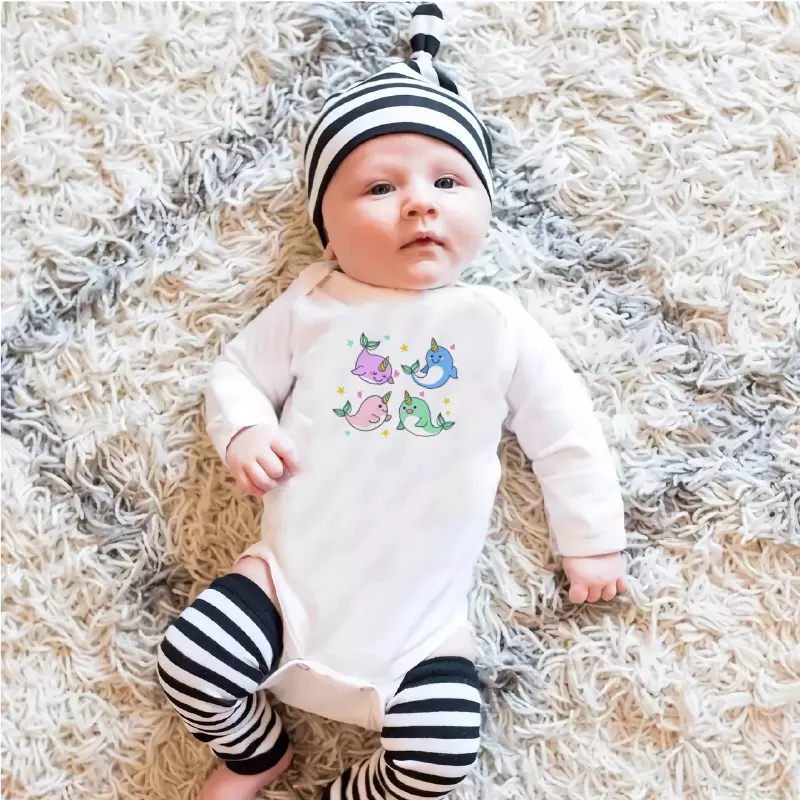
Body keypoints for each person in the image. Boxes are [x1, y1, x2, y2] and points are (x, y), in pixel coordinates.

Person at [156, 4, 628, 798]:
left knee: (442, 754)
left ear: (484, 207)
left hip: (420, 632)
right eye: (380, 187)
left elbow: (566, 433)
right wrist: (246, 429)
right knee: (190, 660)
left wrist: (592, 540)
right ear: (327, 230)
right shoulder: (316, 302)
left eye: (447, 182)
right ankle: (254, 755)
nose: (419, 203)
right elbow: (235, 371)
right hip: (286, 589)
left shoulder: (495, 323)